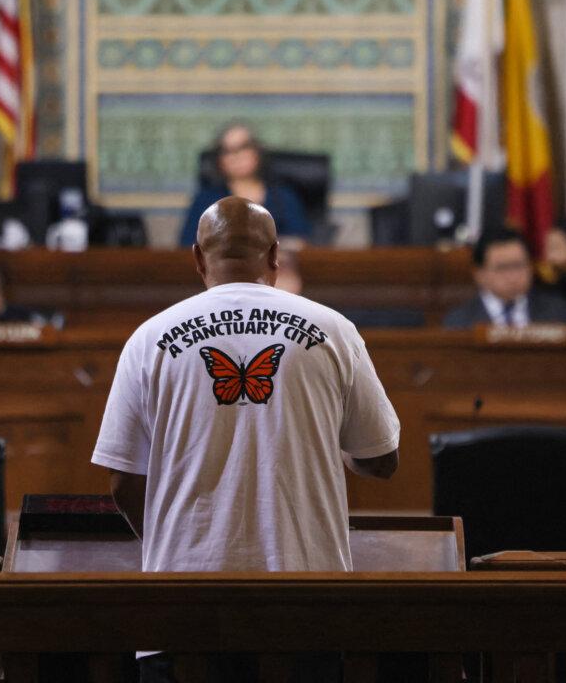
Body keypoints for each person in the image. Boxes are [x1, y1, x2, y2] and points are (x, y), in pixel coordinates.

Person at [94, 196, 399, 680]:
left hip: (180, 606)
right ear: (275, 256)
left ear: (197, 257)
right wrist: (334, 447)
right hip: (308, 607)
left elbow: (121, 480)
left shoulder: (148, 339)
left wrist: (173, 544)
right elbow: (381, 458)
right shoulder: (334, 331)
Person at [178, 123, 312, 246]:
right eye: (228, 150)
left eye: (243, 147)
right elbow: (188, 246)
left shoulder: (283, 197)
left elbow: (300, 243)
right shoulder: (206, 200)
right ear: (220, 161)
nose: (236, 156)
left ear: (257, 152)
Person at [442, 227, 566, 328]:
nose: (512, 276)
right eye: (503, 268)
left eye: (518, 265)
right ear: (480, 275)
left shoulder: (557, 312)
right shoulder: (459, 323)